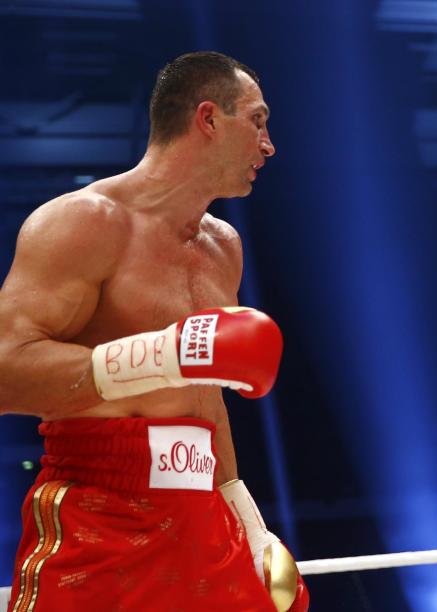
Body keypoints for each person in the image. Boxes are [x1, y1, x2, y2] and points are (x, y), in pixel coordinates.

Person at [0, 52, 308, 611]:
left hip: (201, 509)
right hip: (100, 507)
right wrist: (164, 355)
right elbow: (4, 374)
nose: (270, 146)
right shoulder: (83, 222)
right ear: (209, 118)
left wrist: (249, 522)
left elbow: (207, 399)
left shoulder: (223, 248)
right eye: (258, 121)